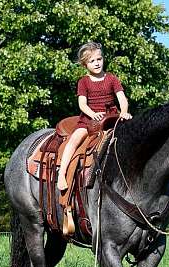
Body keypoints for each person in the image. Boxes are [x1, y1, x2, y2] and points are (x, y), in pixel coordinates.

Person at [56, 42, 132, 191]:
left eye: (99, 59)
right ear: (85, 65)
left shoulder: (111, 78)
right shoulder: (83, 82)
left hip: (111, 118)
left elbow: (122, 98)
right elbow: (82, 104)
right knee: (74, 140)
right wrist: (92, 114)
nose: (97, 63)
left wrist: (124, 111)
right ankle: (62, 173)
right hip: (89, 120)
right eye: (92, 61)